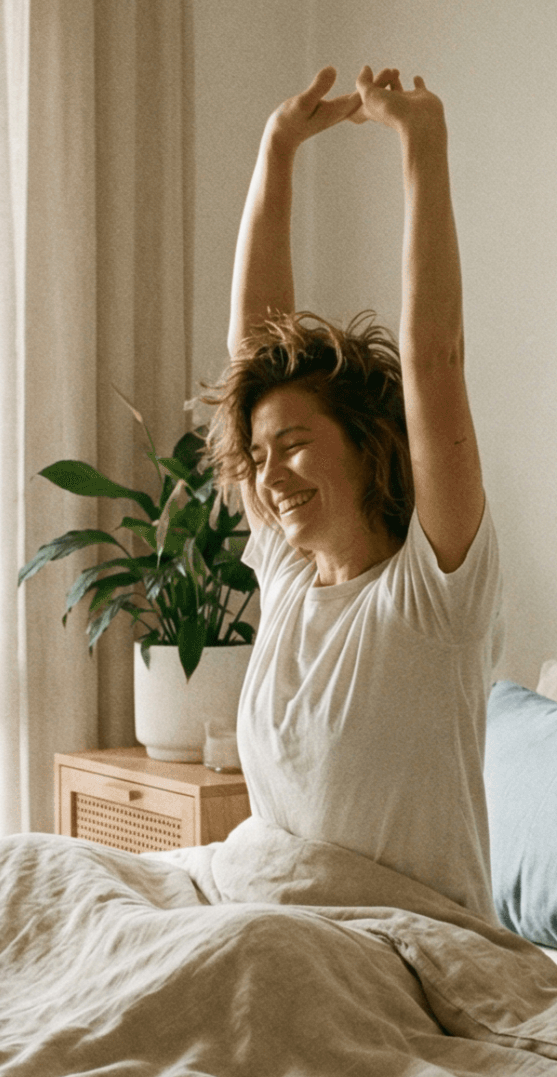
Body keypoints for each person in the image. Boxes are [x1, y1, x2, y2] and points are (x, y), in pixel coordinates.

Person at [200, 65, 501, 918]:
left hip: (395, 948)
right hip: (273, 918)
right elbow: (252, 349)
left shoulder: (433, 594)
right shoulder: (287, 575)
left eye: (295, 446)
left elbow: (435, 359)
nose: (269, 477)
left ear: (369, 446)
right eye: (260, 455)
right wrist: (276, 150)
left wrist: (422, 143)